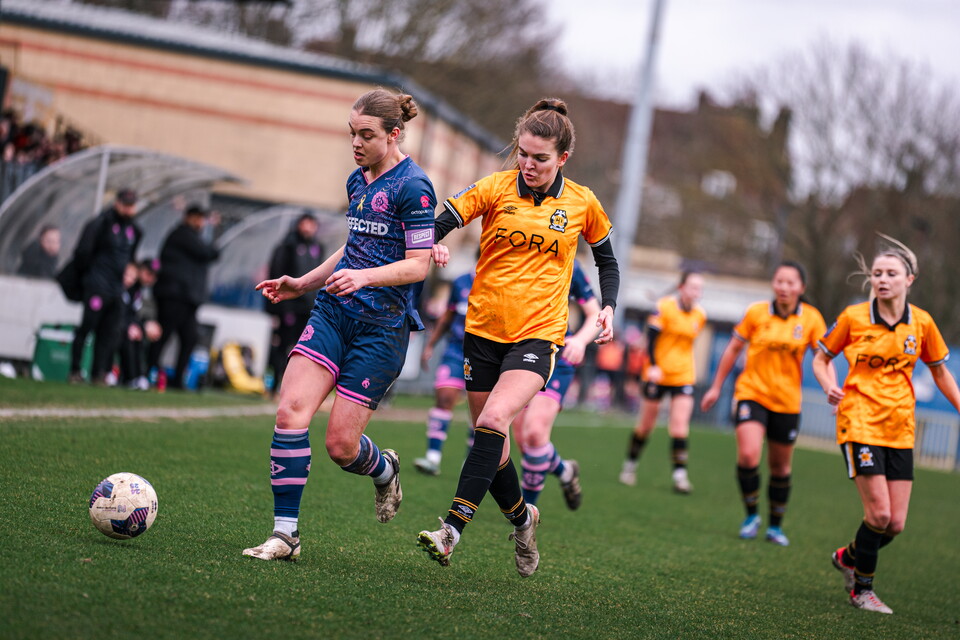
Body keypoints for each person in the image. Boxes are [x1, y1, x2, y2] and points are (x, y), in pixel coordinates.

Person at [417, 98, 620, 577]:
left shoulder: (582, 202)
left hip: (538, 337)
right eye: (523, 155)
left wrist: (607, 308)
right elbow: (441, 219)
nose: (529, 165)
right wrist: (435, 240)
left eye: (541, 158)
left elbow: (607, 262)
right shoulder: (494, 187)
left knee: (491, 420)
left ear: (562, 158)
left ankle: (451, 530)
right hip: (482, 332)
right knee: (495, 443)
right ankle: (523, 518)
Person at [242, 88, 436, 561]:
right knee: (290, 413)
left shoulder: (415, 187)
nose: (356, 143)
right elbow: (352, 248)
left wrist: (365, 277)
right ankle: (286, 535)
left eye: (367, 135)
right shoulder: (357, 181)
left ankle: (384, 471)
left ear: (393, 135)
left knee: (341, 446)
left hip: (381, 329)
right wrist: (303, 283)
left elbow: (418, 266)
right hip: (332, 314)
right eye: (352, 133)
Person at [812, 235, 960, 615]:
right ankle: (863, 590)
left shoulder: (922, 323)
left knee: (894, 524)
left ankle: (847, 557)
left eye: (891, 273)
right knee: (877, 515)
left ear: (909, 279)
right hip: (858, 421)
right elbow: (821, 359)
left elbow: (941, 373)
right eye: (877, 273)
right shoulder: (853, 317)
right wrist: (830, 386)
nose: (882, 279)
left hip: (900, 427)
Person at [700, 261, 828, 546]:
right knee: (748, 456)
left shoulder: (811, 319)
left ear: (801, 288)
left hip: (787, 402)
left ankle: (775, 526)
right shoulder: (756, 313)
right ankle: (750, 516)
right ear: (773, 284)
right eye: (779, 281)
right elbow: (734, 348)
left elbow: (823, 359)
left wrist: (833, 390)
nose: (784, 287)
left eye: (790, 282)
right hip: (752, 393)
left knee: (780, 468)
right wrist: (716, 387)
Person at [512, 258, 600, 510]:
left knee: (536, 432)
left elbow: (594, 313)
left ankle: (526, 516)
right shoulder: (516, 252)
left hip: (556, 355)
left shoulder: (570, 263)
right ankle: (564, 472)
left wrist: (581, 341)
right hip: (518, 353)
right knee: (525, 441)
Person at [619, 271, 706, 493]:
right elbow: (651, 341)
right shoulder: (664, 307)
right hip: (656, 373)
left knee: (679, 426)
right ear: (682, 287)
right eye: (693, 287)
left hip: (684, 375)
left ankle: (680, 476)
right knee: (646, 425)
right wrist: (655, 366)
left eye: (699, 288)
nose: (697, 292)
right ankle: (629, 466)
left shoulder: (700, 315)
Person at [68, 188, 143, 383]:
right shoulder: (101, 223)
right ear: (117, 203)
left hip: (116, 289)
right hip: (97, 286)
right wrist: (90, 278)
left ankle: (98, 372)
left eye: (131, 205)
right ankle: (75, 370)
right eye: (125, 204)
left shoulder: (133, 230)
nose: (128, 209)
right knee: (87, 328)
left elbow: (130, 258)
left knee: (108, 333)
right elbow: (82, 253)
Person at [148, 204, 220, 390]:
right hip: (174, 296)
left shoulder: (192, 237)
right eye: (198, 218)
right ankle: (146, 372)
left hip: (186, 298)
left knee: (189, 337)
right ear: (188, 217)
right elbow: (209, 252)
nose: (201, 222)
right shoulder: (182, 235)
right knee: (164, 335)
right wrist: (213, 228)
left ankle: (177, 379)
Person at [413, 268, 475, 475]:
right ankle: (432, 458)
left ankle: (472, 463)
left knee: (480, 412)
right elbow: (448, 315)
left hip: (485, 354)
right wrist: (430, 345)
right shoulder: (461, 282)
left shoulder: (503, 279)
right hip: (456, 351)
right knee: (444, 397)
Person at [266, 212, 325, 395]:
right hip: (288, 307)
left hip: (309, 308)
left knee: (304, 350)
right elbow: (276, 274)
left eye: (312, 224)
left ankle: (296, 389)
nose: (308, 227)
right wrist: (277, 307)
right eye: (305, 223)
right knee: (282, 345)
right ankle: (275, 386)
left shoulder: (318, 247)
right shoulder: (287, 246)